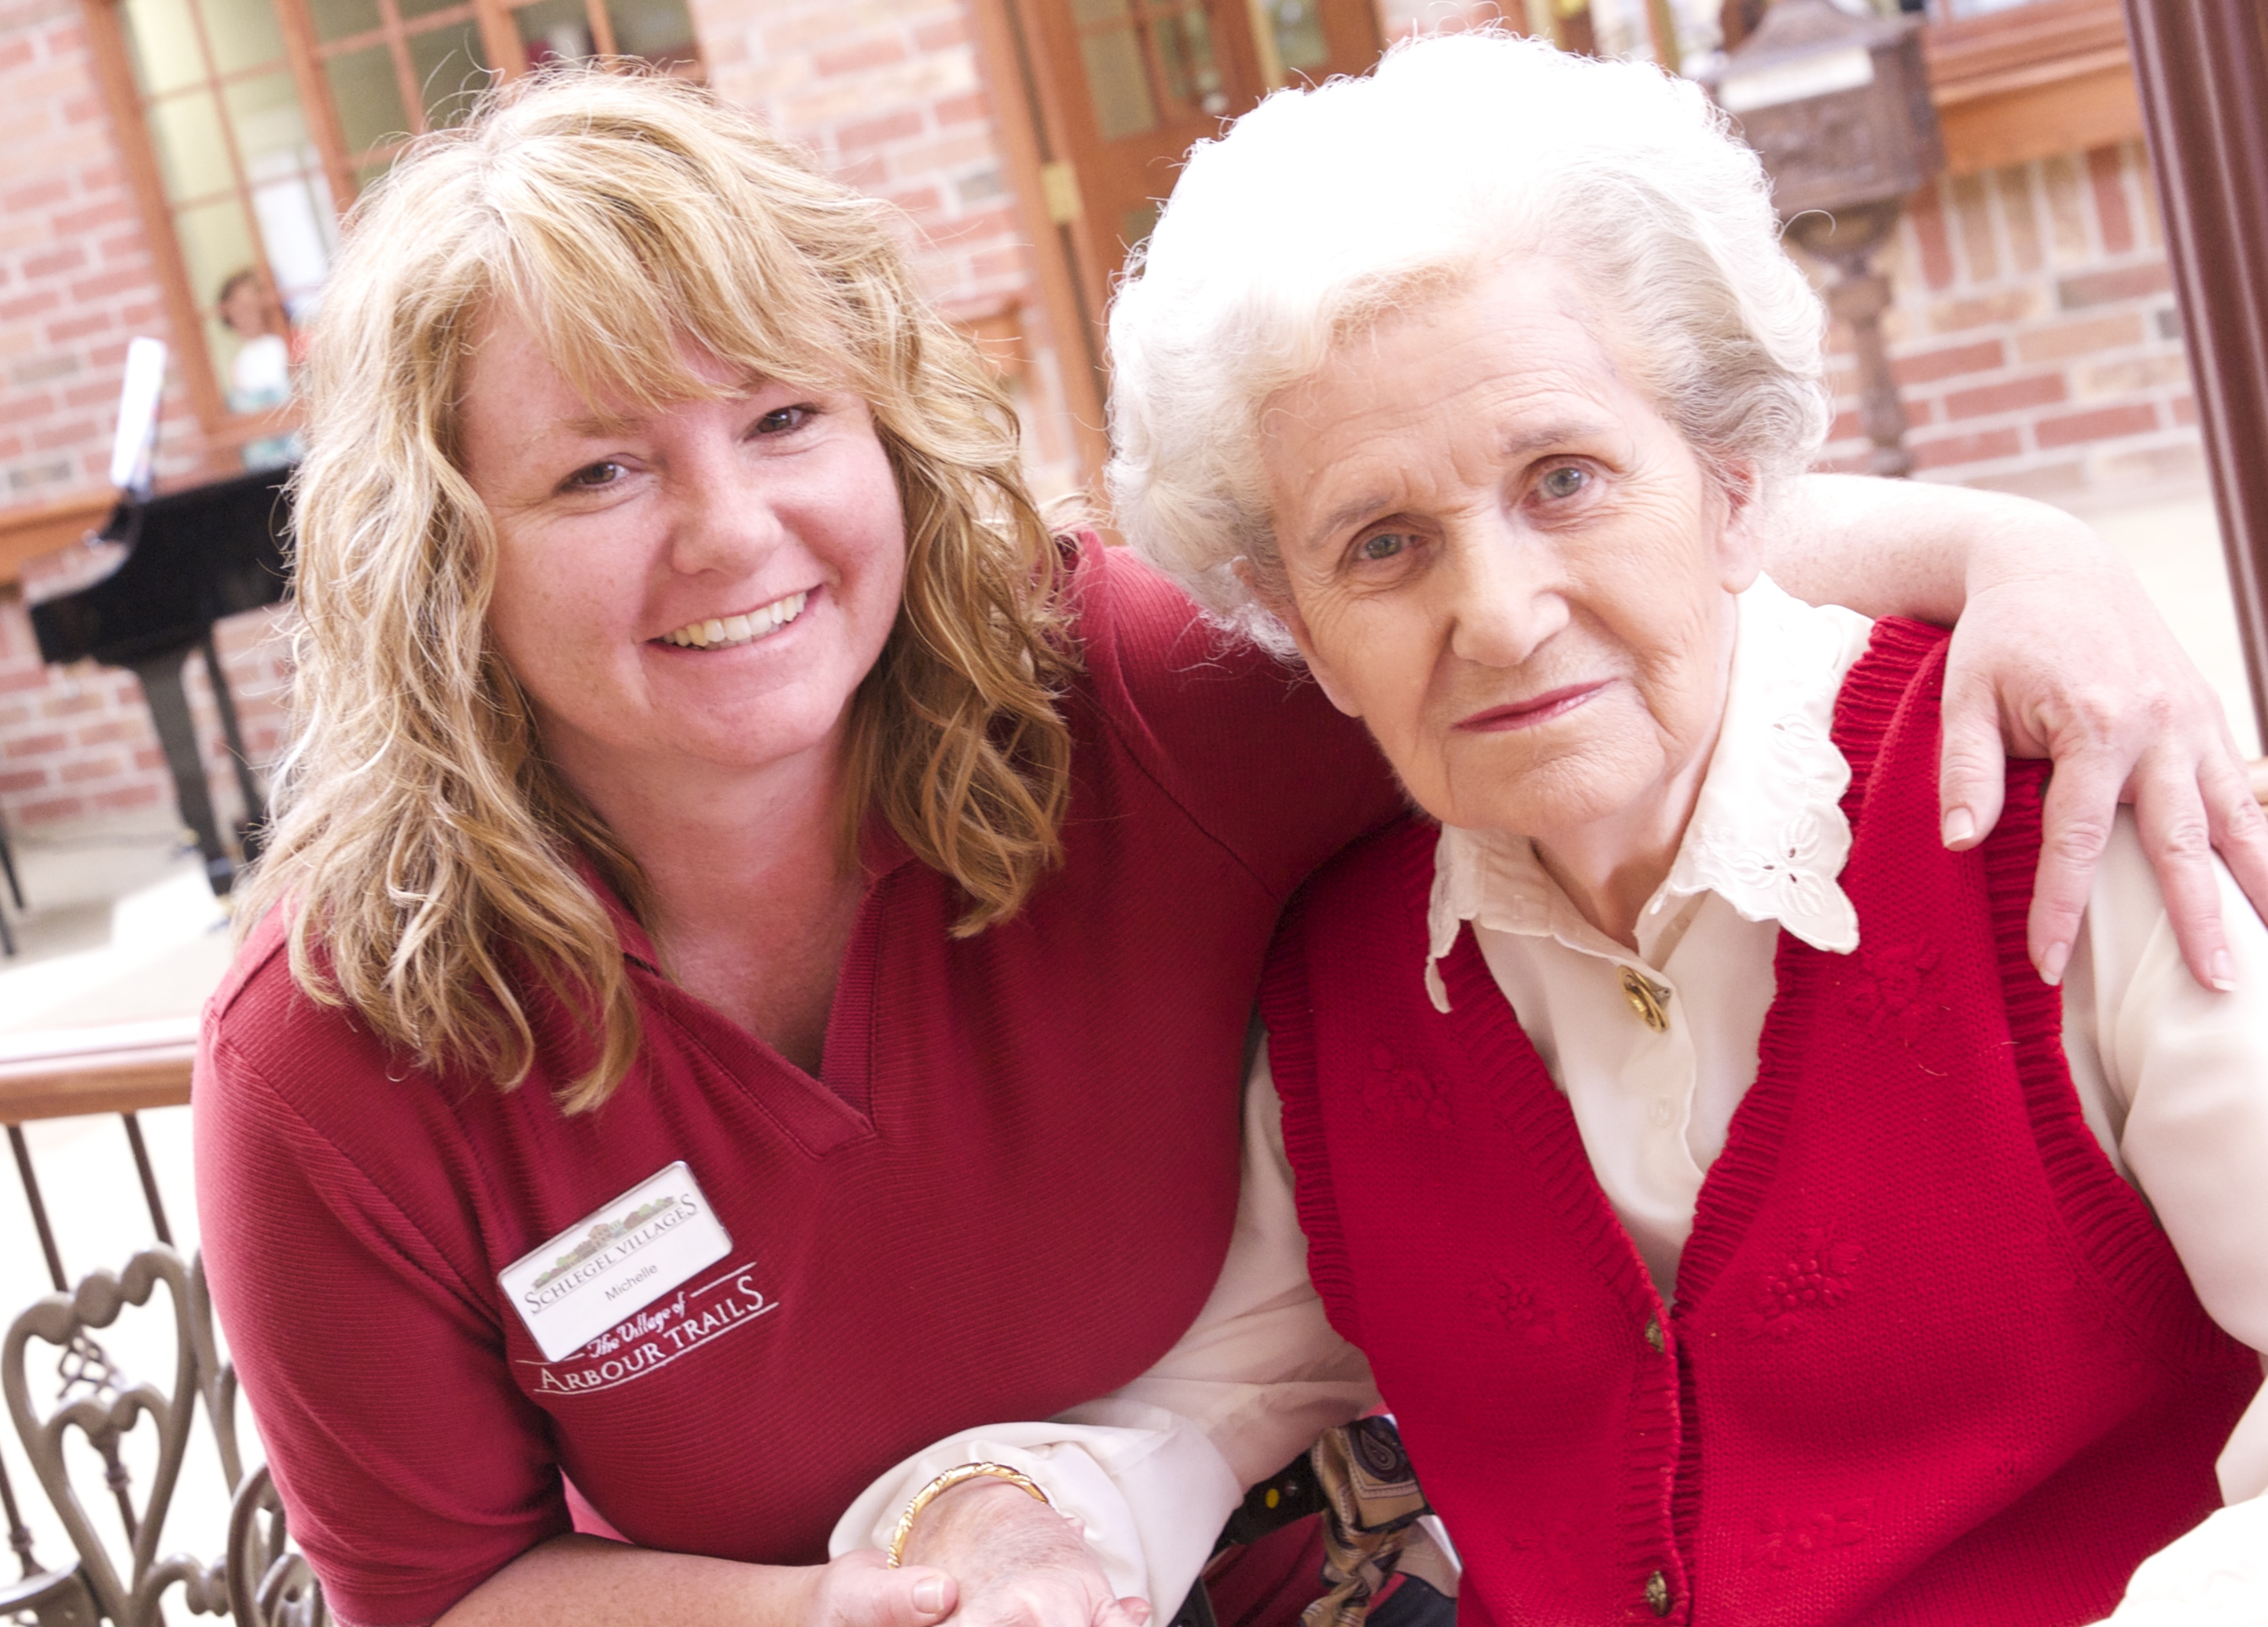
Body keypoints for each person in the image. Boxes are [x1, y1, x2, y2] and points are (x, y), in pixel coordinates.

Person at [194, 64, 2268, 1627]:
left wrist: (2015, 546)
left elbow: (1519, 536)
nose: (730, 533)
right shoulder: (333, 1049)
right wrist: (913, 1582)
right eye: (592, 469)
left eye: (782, 419)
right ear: (440, 551)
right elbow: (447, 1590)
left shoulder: (1126, 709)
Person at [1103, 33, 2268, 1622]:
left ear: (1733, 489)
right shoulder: (1343, 975)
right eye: (1380, 545)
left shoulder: (2038, 798)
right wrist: (1022, 1512)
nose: (1499, 616)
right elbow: (1213, 1389)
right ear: (1294, 625)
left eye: (1563, 478)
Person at [215, 267, 299, 470]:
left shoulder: (293, 346)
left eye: (250, 306)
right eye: (236, 309)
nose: (244, 317)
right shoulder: (239, 367)